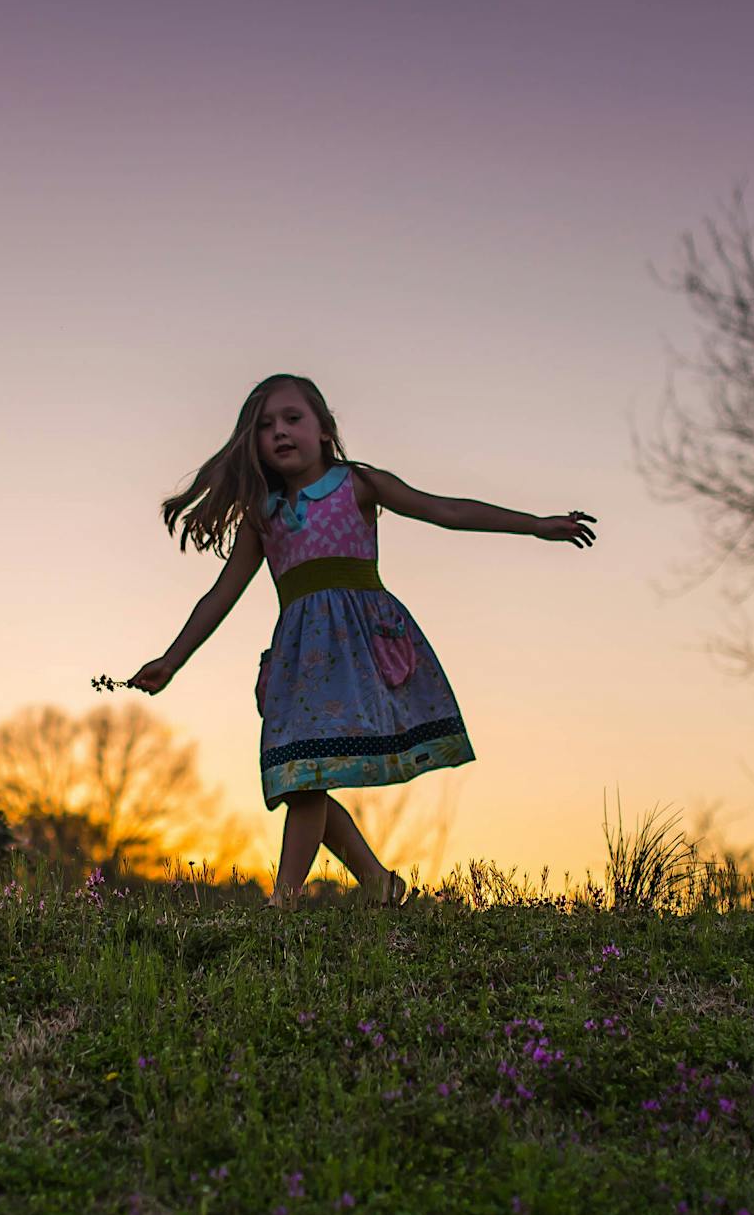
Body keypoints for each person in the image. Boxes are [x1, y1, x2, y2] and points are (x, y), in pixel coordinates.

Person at [129, 374, 595, 908]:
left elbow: (446, 510)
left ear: (324, 429)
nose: (279, 432)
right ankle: (378, 883)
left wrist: (535, 525)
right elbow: (221, 595)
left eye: (292, 419)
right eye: (265, 426)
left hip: (360, 652)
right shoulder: (264, 514)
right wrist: (172, 659)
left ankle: (284, 900)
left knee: (305, 777)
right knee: (302, 774)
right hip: (300, 664)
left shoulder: (359, 485)